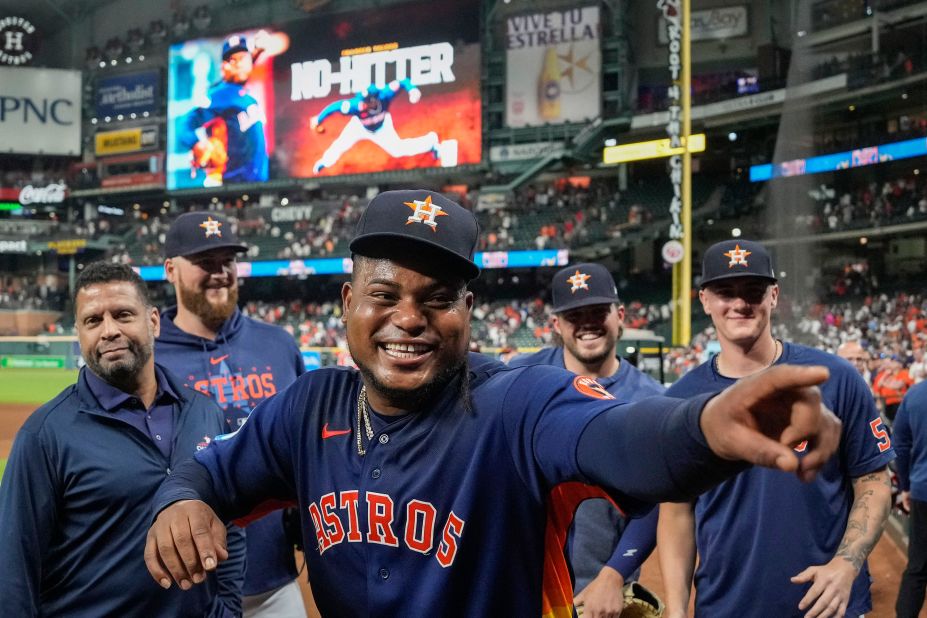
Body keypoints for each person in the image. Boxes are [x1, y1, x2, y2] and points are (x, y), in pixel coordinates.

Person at [144, 191, 842, 617]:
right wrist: (180, 498)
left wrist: (705, 426)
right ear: (348, 304)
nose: (409, 318)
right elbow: (210, 472)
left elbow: (627, 439)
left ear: (468, 312)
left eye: (437, 299)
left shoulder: (519, 400)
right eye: (385, 295)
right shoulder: (308, 404)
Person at [658, 239, 894, 618]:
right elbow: (676, 513)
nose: (739, 303)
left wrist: (846, 565)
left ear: (773, 295)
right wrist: (674, 609)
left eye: (753, 291)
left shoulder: (835, 377)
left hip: (828, 606)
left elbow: (874, 481)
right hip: (726, 605)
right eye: (724, 292)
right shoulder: (680, 399)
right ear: (704, 299)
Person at [0, 261, 244, 616]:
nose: (109, 330)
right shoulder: (44, 434)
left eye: (123, 314)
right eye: (93, 320)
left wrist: (227, 608)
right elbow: (13, 568)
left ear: (154, 322)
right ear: (79, 334)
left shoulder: (204, 412)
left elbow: (231, 521)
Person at [155, 212, 307, 617]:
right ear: (170, 269)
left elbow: (305, 443)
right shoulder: (150, 358)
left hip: (275, 580)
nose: (220, 273)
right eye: (206, 262)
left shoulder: (277, 344)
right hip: (185, 588)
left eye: (228, 261)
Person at [508, 262, 664, 616]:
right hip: (521, 585)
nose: (587, 322)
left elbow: (655, 503)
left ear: (620, 315)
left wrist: (614, 575)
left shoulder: (650, 400)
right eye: (574, 314)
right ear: (556, 325)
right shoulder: (519, 378)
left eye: (598, 311)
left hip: (595, 593)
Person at [179, 32, 270, 186]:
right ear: (223, 67)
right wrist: (196, 143)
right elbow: (184, 125)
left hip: (258, 183)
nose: (238, 63)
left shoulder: (242, 93)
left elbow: (244, 69)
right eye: (232, 60)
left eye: (242, 58)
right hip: (231, 184)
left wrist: (256, 51)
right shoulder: (218, 95)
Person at [309, 80, 456, 174]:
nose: (364, 103)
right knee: (341, 144)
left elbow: (403, 81)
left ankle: (431, 142)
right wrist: (319, 119)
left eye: (367, 101)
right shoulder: (355, 105)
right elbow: (334, 107)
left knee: (398, 150)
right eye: (363, 100)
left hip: (382, 127)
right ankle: (324, 162)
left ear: (375, 99)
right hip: (359, 127)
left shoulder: (385, 95)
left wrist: (412, 89)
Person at [894, 378, 927, 616]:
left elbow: (901, 446)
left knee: (917, 567)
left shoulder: (914, 394)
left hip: (922, 490)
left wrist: (905, 486)